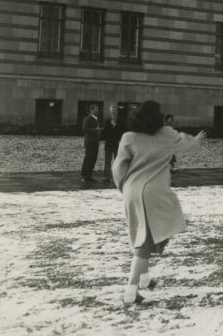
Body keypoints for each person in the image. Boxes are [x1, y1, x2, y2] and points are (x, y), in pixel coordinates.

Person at [113, 100, 206, 305]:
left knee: (142, 234)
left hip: (132, 189)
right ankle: (131, 290)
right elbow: (188, 143)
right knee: (147, 241)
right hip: (155, 192)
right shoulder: (167, 134)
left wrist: (124, 187)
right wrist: (197, 139)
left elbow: (118, 167)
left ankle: (145, 279)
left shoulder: (128, 137)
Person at [102, 104, 125, 184]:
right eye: (111, 111)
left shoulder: (121, 122)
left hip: (117, 144)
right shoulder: (107, 122)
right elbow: (104, 133)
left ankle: (117, 177)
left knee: (117, 161)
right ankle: (107, 177)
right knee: (107, 161)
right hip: (108, 144)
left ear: (117, 112)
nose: (113, 112)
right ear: (110, 112)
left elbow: (124, 133)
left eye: (114, 111)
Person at [80, 103, 102, 183]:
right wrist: (95, 130)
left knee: (93, 159)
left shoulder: (96, 119)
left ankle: (89, 176)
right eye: (95, 109)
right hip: (89, 142)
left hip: (95, 142)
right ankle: (83, 176)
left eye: (98, 108)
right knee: (88, 158)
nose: (97, 110)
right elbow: (84, 129)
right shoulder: (88, 119)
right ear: (91, 110)